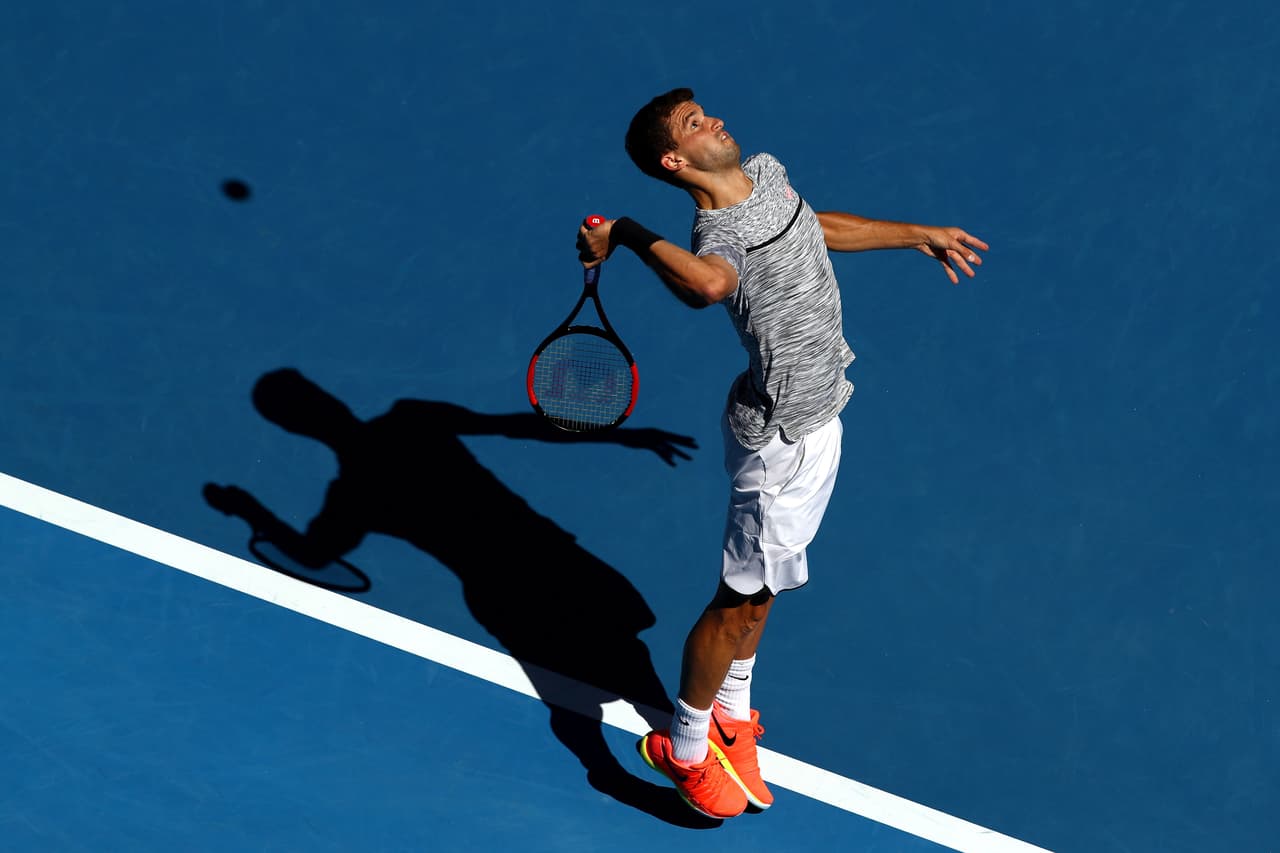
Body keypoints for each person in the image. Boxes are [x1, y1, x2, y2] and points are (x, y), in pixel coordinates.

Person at [575, 87, 988, 820]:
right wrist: (631, 232)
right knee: (737, 603)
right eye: (695, 124)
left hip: (822, 413)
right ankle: (687, 746)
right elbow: (709, 285)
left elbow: (812, 227)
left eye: (706, 112)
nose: (715, 120)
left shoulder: (766, 174)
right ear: (674, 161)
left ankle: (731, 715)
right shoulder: (716, 234)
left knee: (765, 590)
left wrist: (914, 234)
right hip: (781, 442)